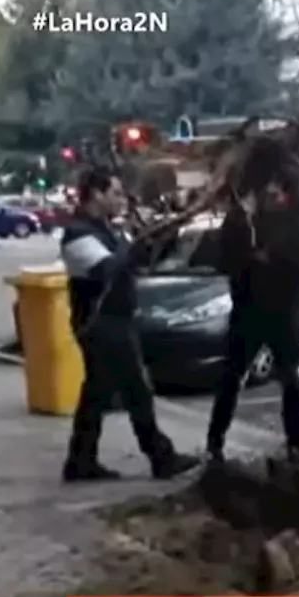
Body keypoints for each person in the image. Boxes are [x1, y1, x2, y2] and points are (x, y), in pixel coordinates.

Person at [59, 167, 201, 482]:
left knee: (96, 396)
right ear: (96, 195)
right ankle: (161, 458)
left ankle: (80, 461)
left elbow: (136, 263)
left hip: (115, 320)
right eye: (115, 193)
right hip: (101, 324)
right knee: (137, 390)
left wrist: (160, 238)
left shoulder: (107, 229)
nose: (121, 200)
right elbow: (107, 268)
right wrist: (139, 243)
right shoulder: (78, 234)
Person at [204, 178, 299, 462]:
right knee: (232, 378)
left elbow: (298, 264)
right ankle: (214, 443)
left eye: (277, 194)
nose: (273, 199)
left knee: (289, 379)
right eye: (268, 194)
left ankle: (296, 444)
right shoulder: (240, 224)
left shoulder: (289, 226)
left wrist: (268, 259)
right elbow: (227, 260)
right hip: (248, 312)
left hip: (279, 313)